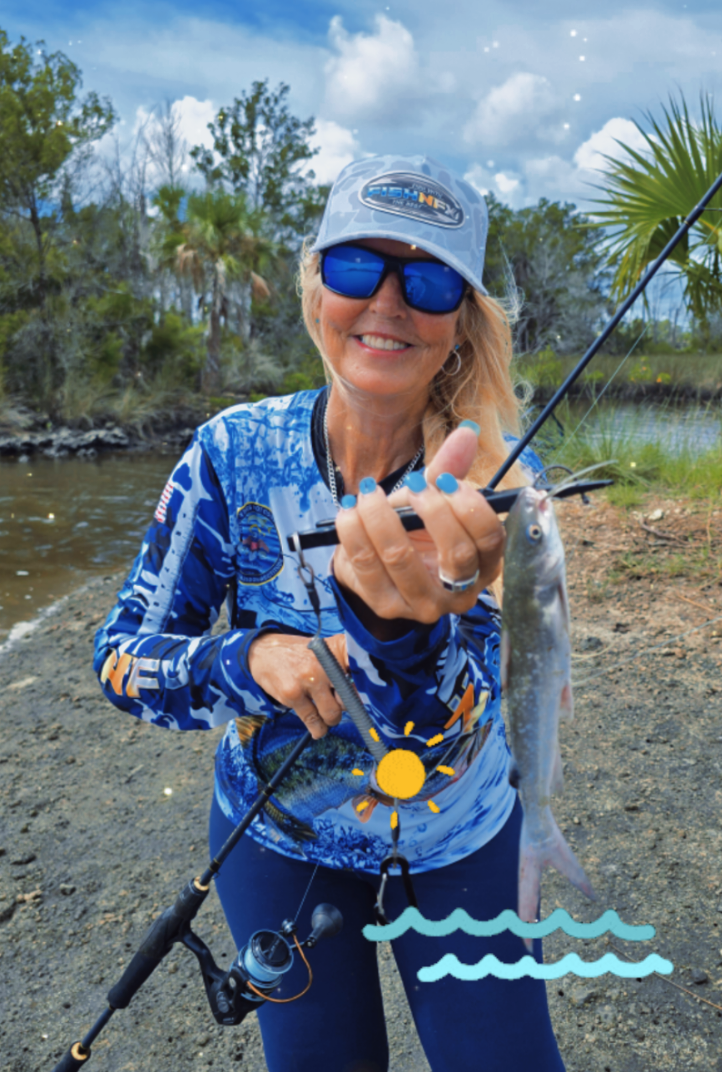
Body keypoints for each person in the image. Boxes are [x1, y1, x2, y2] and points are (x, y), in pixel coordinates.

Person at [94, 155, 567, 1072]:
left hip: (462, 830)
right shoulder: (227, 455)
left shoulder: (497, 486)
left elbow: (478, 698)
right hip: (277, 836)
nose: (388, 301)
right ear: (316, 285)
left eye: (428, 281)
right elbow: (121, 658)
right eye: (359, 267)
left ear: (461, 320)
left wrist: (406, 633)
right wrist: (249, 659)